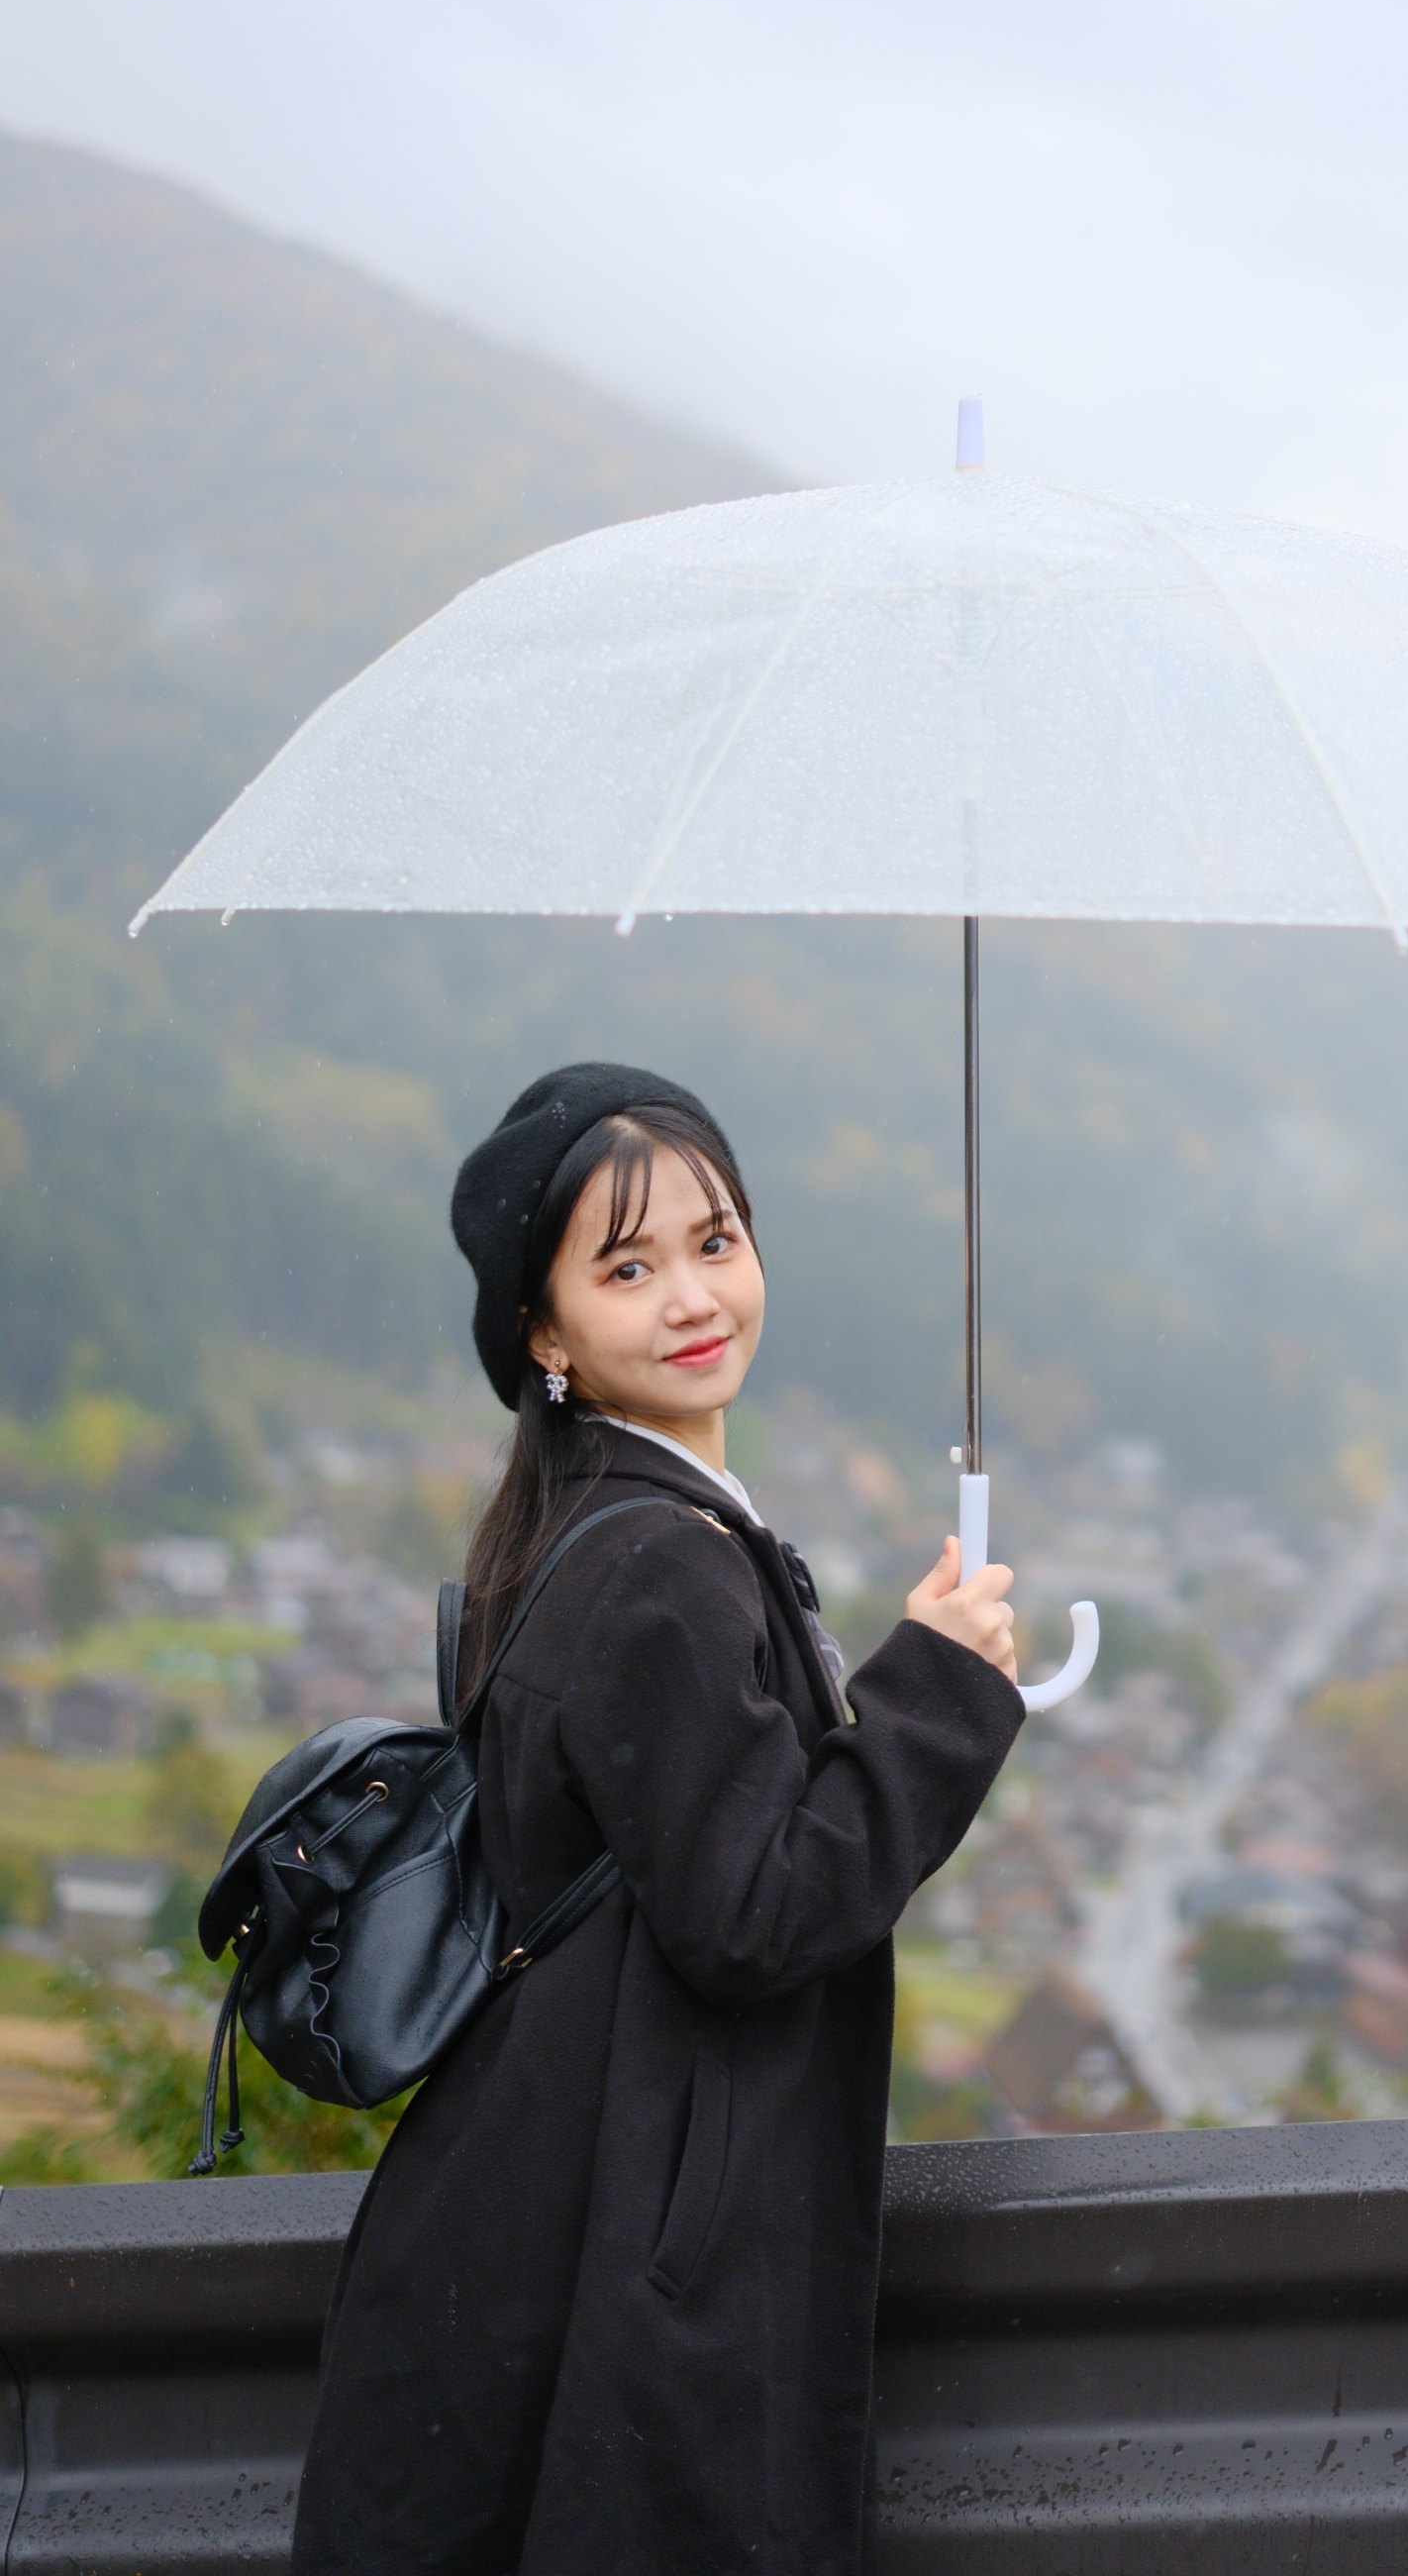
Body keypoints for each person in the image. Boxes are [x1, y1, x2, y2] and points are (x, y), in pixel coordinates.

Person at [291, 1061, 1025, 2576]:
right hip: (629, 2260)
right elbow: (754, 1912)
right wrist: (939, 1692)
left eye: (716, 1240)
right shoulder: (660, 1566)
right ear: (545, 1333)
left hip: (538, 2219)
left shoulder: (576, 1528)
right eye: (627, 1268)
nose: (694, 1296)